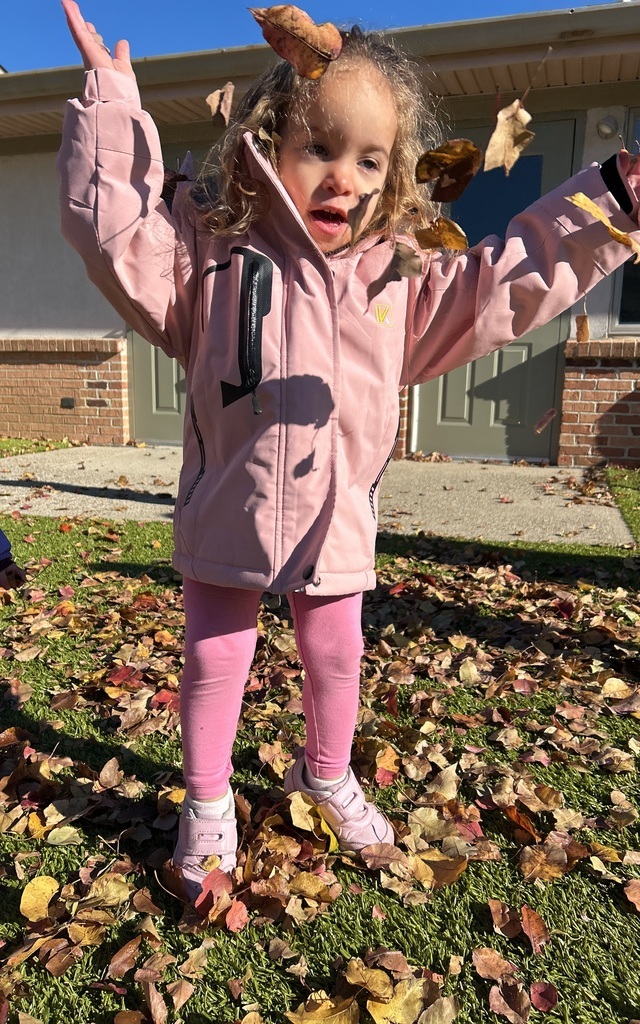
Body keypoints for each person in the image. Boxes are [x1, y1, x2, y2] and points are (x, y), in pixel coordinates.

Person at [58, 0, 640, 899]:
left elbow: (507, 280)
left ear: (397, 174)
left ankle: (325, 773)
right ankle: (208, 802)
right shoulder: (209, 260)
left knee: (337, 655)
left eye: (370, 159)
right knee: (216, 656)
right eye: (319, 149)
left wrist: (611, 205)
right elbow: (115, 235)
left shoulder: (398, 276)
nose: (343, 178)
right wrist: (109, 106)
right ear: (265, 145)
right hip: (230, 505)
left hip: (337, 513)